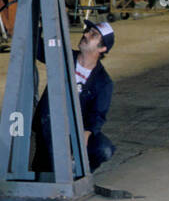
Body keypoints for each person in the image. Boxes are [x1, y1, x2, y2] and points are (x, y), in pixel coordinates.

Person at [36, 22, 115, 172]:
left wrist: (86, 134)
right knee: (47, 171)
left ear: (102, 48)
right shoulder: (63, 57)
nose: (85, 35)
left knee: (104, 149)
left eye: (93, 35)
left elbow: (98, 115)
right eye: (87, 31)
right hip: (50, 125)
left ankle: (79, 172)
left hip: (77, 131)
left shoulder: (103, 82)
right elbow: (37, 47)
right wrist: (40, 21)